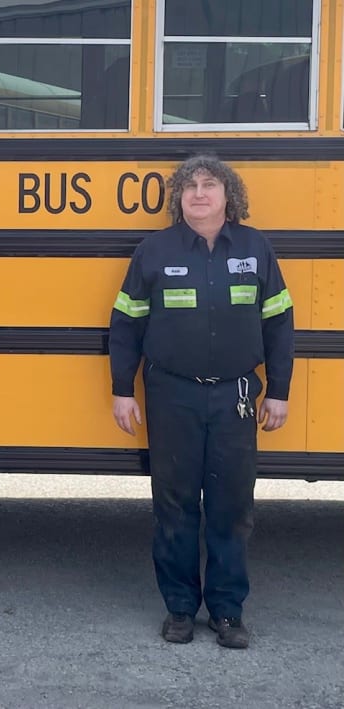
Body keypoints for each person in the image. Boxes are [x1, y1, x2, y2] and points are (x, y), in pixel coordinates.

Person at [108, 155, 294, 649]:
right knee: (175, 505)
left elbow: (279, 325)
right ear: (178, 199)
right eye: (189, 186)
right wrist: (122, 390)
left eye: (209, 184)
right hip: (172, 394)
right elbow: (126, 325)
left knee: (233, 507)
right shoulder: (153, 250)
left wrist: (278, 390)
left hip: (235, 395)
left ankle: (228, 613)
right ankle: (180, 610)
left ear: (228, 196)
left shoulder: (256, 250)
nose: (198, 193)